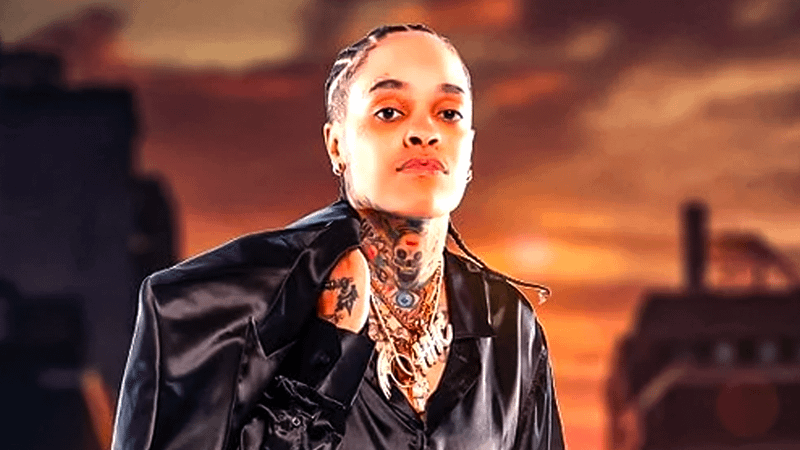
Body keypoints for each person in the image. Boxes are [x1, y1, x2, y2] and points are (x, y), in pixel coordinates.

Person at [112, 24, 565, 450]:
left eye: (448, 113)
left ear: (469, 147)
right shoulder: (215, 308)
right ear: (337, 145)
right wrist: (325, 359)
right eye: (389, 112)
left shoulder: (509, 328)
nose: (424, 132)